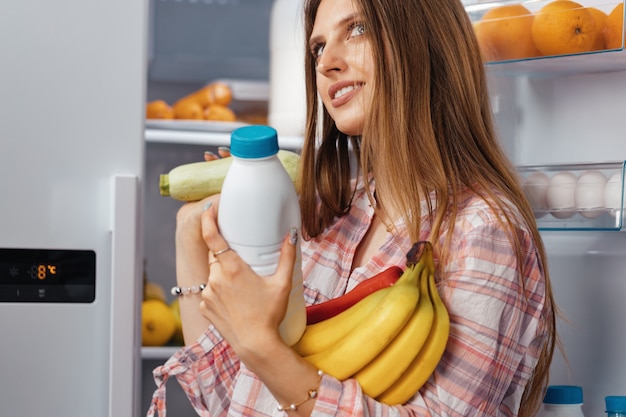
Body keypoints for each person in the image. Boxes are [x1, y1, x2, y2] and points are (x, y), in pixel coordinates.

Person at [148, 0, 557, 416]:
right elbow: (229, 401)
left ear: (425, 41)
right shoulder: (331, 215)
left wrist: (261, 344)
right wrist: (192, 229)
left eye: (357, 30)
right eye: (318, 47)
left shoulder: (481, 232)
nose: (326, 63)